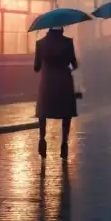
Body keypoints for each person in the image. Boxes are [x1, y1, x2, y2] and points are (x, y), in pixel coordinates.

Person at [34, 26, 79, 159]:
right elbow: (75, 64)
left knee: (43, 112)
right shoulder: (68, 42)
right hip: (64, 82)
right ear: (61, 29)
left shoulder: (40, 43)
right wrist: (67, 68)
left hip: (47, 82)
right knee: (66, 113)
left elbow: (36, 67)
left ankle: (42, 138)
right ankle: (64, 143)